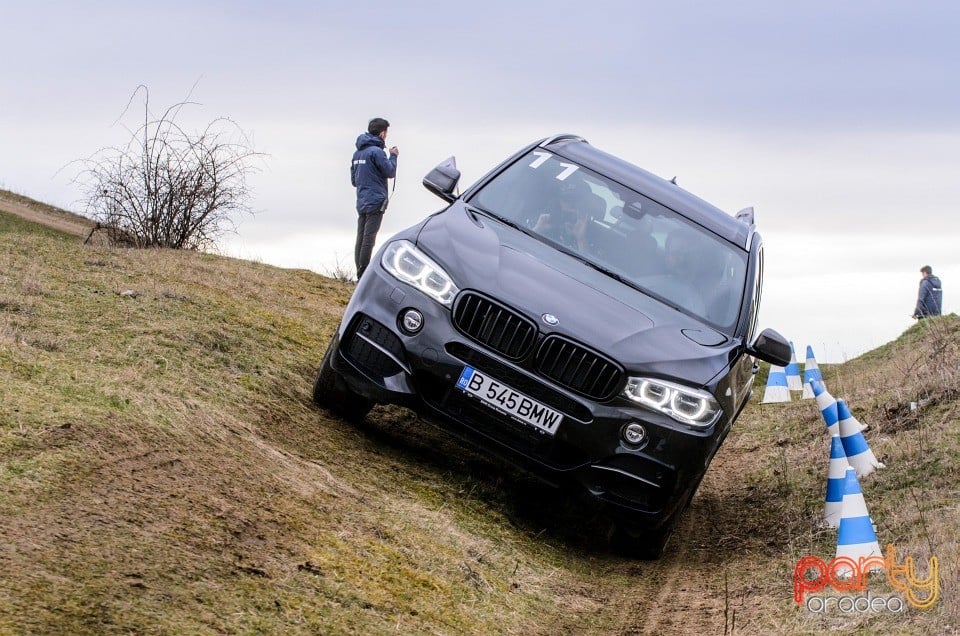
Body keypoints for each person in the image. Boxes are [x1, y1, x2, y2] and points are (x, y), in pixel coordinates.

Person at [351, 117, 398, 279]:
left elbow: (354, 181)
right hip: (376, 200)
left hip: (362, 199)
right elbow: (390, 172)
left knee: (361, 238)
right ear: (383, 133)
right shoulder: (377, 152)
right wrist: (393, 156)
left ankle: (359, 272)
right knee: (369, 240)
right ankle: (363, 276)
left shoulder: (358, 153)